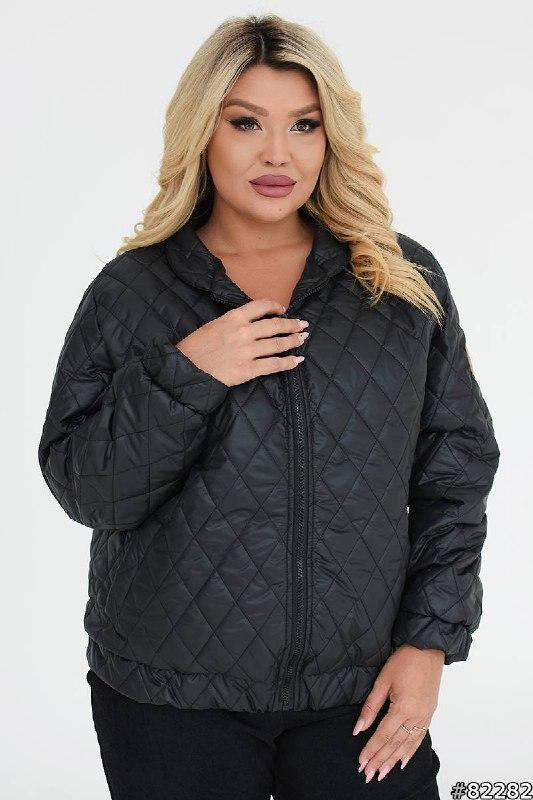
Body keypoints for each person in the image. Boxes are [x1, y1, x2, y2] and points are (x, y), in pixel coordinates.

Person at [37, 13, 500, 800]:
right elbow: (91, 492)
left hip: (359, 693)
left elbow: (453, 476)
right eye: (246, 122)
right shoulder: (132, 292)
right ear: (202, 132)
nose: (277, 153)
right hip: (170, 699)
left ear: (330, 136)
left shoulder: (396, 283)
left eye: (304, 124)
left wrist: (428, 643)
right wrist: (189, 372)